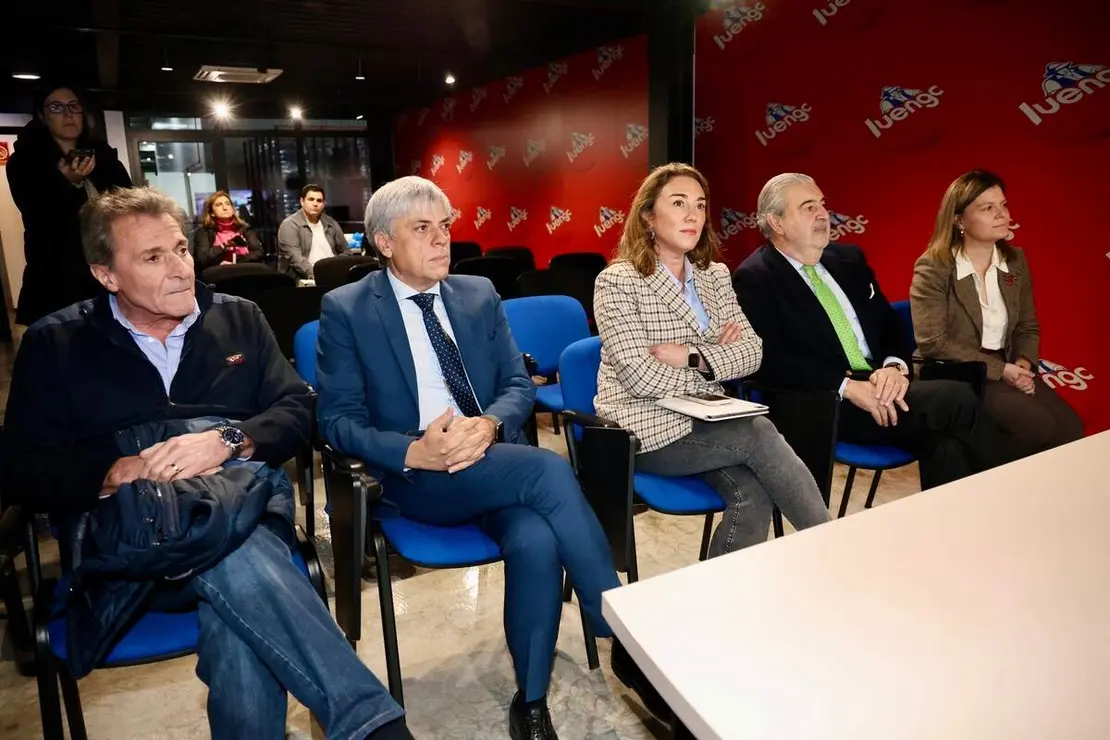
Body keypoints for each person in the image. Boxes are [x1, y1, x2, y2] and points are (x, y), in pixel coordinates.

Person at [1, 187, 412, 740]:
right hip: (132, 544)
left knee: (232, 566)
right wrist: (115, 471)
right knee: (236, 564)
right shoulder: (57, 344)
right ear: (106, 276)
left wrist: (229, 439)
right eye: (153, 257)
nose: (179, 269)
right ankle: (375, 725)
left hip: (240, 509)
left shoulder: (238, 318)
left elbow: (298, 411)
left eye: (180, 249)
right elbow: (23, 466)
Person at [315, 175, 667, 739]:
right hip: (417, 479)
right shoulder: (348, 309)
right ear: (383, 242)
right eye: (422, 229)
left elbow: (517, 384)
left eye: (445, 227)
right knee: (550, 467)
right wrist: (413, 450)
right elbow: (335, 421)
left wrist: (489, 423)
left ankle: (530, 702)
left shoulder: (476, 293)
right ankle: (621, 631)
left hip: (494, 463)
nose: (440, 240)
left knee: (537, 537)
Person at [593, 163, 829, 555]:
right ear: (649, 216)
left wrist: (689, 355)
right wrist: (717, 355)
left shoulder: (714, 275)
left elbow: (753, 353)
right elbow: (639, 379)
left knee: (754, 493)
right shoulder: (618, 281)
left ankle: (720, 597)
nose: (693, 215)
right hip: (643, 425)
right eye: (679, 203)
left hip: (707, 417)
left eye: (700, 205)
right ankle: (832, 547)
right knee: (758, 431)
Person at [734, 173, 1009, 491]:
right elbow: (768, 359)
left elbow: (889, 323)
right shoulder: (756, 278)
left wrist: (894, 367)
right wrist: (847, 386)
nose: (823, 214)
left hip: (884, 387)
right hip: (825, 401)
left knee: (947, 441)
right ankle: (1008, 497)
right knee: (956, 398)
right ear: (776, 222)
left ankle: (955, 530)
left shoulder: (848, 259)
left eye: (823, 204)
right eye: (808, 207)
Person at [911, 170, 1083, 456]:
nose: (1002, 214)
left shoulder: (1015, 260)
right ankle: (982, 486)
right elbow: (933, 342)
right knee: (1036, 426)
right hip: (955, 371)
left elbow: (1027, 327)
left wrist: (1024, 366)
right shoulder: (934, 267)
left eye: (1003, 205)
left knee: (1071, 430)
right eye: (988, 208)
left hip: (1006, 365)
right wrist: (1003, 371)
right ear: (958, 220)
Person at [5, 84, 132, 326]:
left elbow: (128, 199)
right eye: (56, 107)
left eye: (74, 106)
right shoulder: (26, 161)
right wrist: (67, 184)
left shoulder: (103, 155)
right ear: (42, 115)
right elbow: (37, 215)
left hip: (109, 265)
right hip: (58, 273)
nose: (68, 114)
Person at [277, 184, 349, 278]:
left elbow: (346, 252)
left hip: (332, 277)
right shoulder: (289, 225)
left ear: (323, 204)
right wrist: (319, 276)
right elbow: (295, 259)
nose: (315, 204)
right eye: (311, 199)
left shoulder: (331, 223)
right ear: (302, 201)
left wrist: (337, 270)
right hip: (302, 280)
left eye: (319, 201)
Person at [193, 190, 264, 271]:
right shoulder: (204, 232)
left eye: (228, 204)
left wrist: (235, 261)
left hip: (246, 271)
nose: (225, 208)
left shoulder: (244, 228)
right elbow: (203, 260)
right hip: (219, 274)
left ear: (232, 209)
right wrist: (225, 245)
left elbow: (258, 253)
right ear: (212, 213)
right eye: (219, 205)